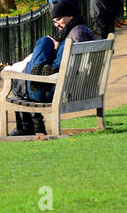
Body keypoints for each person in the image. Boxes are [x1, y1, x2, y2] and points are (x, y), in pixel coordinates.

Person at [7, 8, 98, 136]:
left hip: (56, 91)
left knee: (18, 78)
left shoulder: (75, 36)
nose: (57, 24)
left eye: (59, 19)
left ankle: (29, 127)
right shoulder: (81, 31)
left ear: (70, 16)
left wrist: (55, 45)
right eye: (54, 22)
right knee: (47, 43)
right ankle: (41, 70)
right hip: (76, 89)